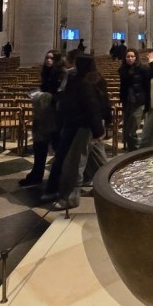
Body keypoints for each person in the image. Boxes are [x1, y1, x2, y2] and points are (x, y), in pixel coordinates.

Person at [51, 54, 108, 208]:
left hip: (85, 126)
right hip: (94, 125)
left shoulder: (85, 82)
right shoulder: (95, 78)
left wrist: (98, 130)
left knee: (76, 162)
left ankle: (71, 197)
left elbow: (93, 107)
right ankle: (108, 188)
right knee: (98, 160)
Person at [19, 51, 65, 188]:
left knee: (58, 148)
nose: (48, 60)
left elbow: (60, 95)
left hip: (55, 117)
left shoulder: (61, 74)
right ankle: (36, 174)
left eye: (52, 58)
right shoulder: (46, 73)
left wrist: (45, 96)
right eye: (47, 58)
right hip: (43, 116)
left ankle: (58, 178)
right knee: (39, 147)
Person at [119, 49, 146, 151]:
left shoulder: (142, 69)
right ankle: (131, 151)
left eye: (132, 56)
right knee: (126, 130)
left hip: (138, 102)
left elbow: (146, 87)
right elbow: (122, 87)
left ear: (136, 57)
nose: (130, 58)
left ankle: (135, 152)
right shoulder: (123, 70)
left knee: (132, 130)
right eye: (128, 56)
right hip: (127, 102)